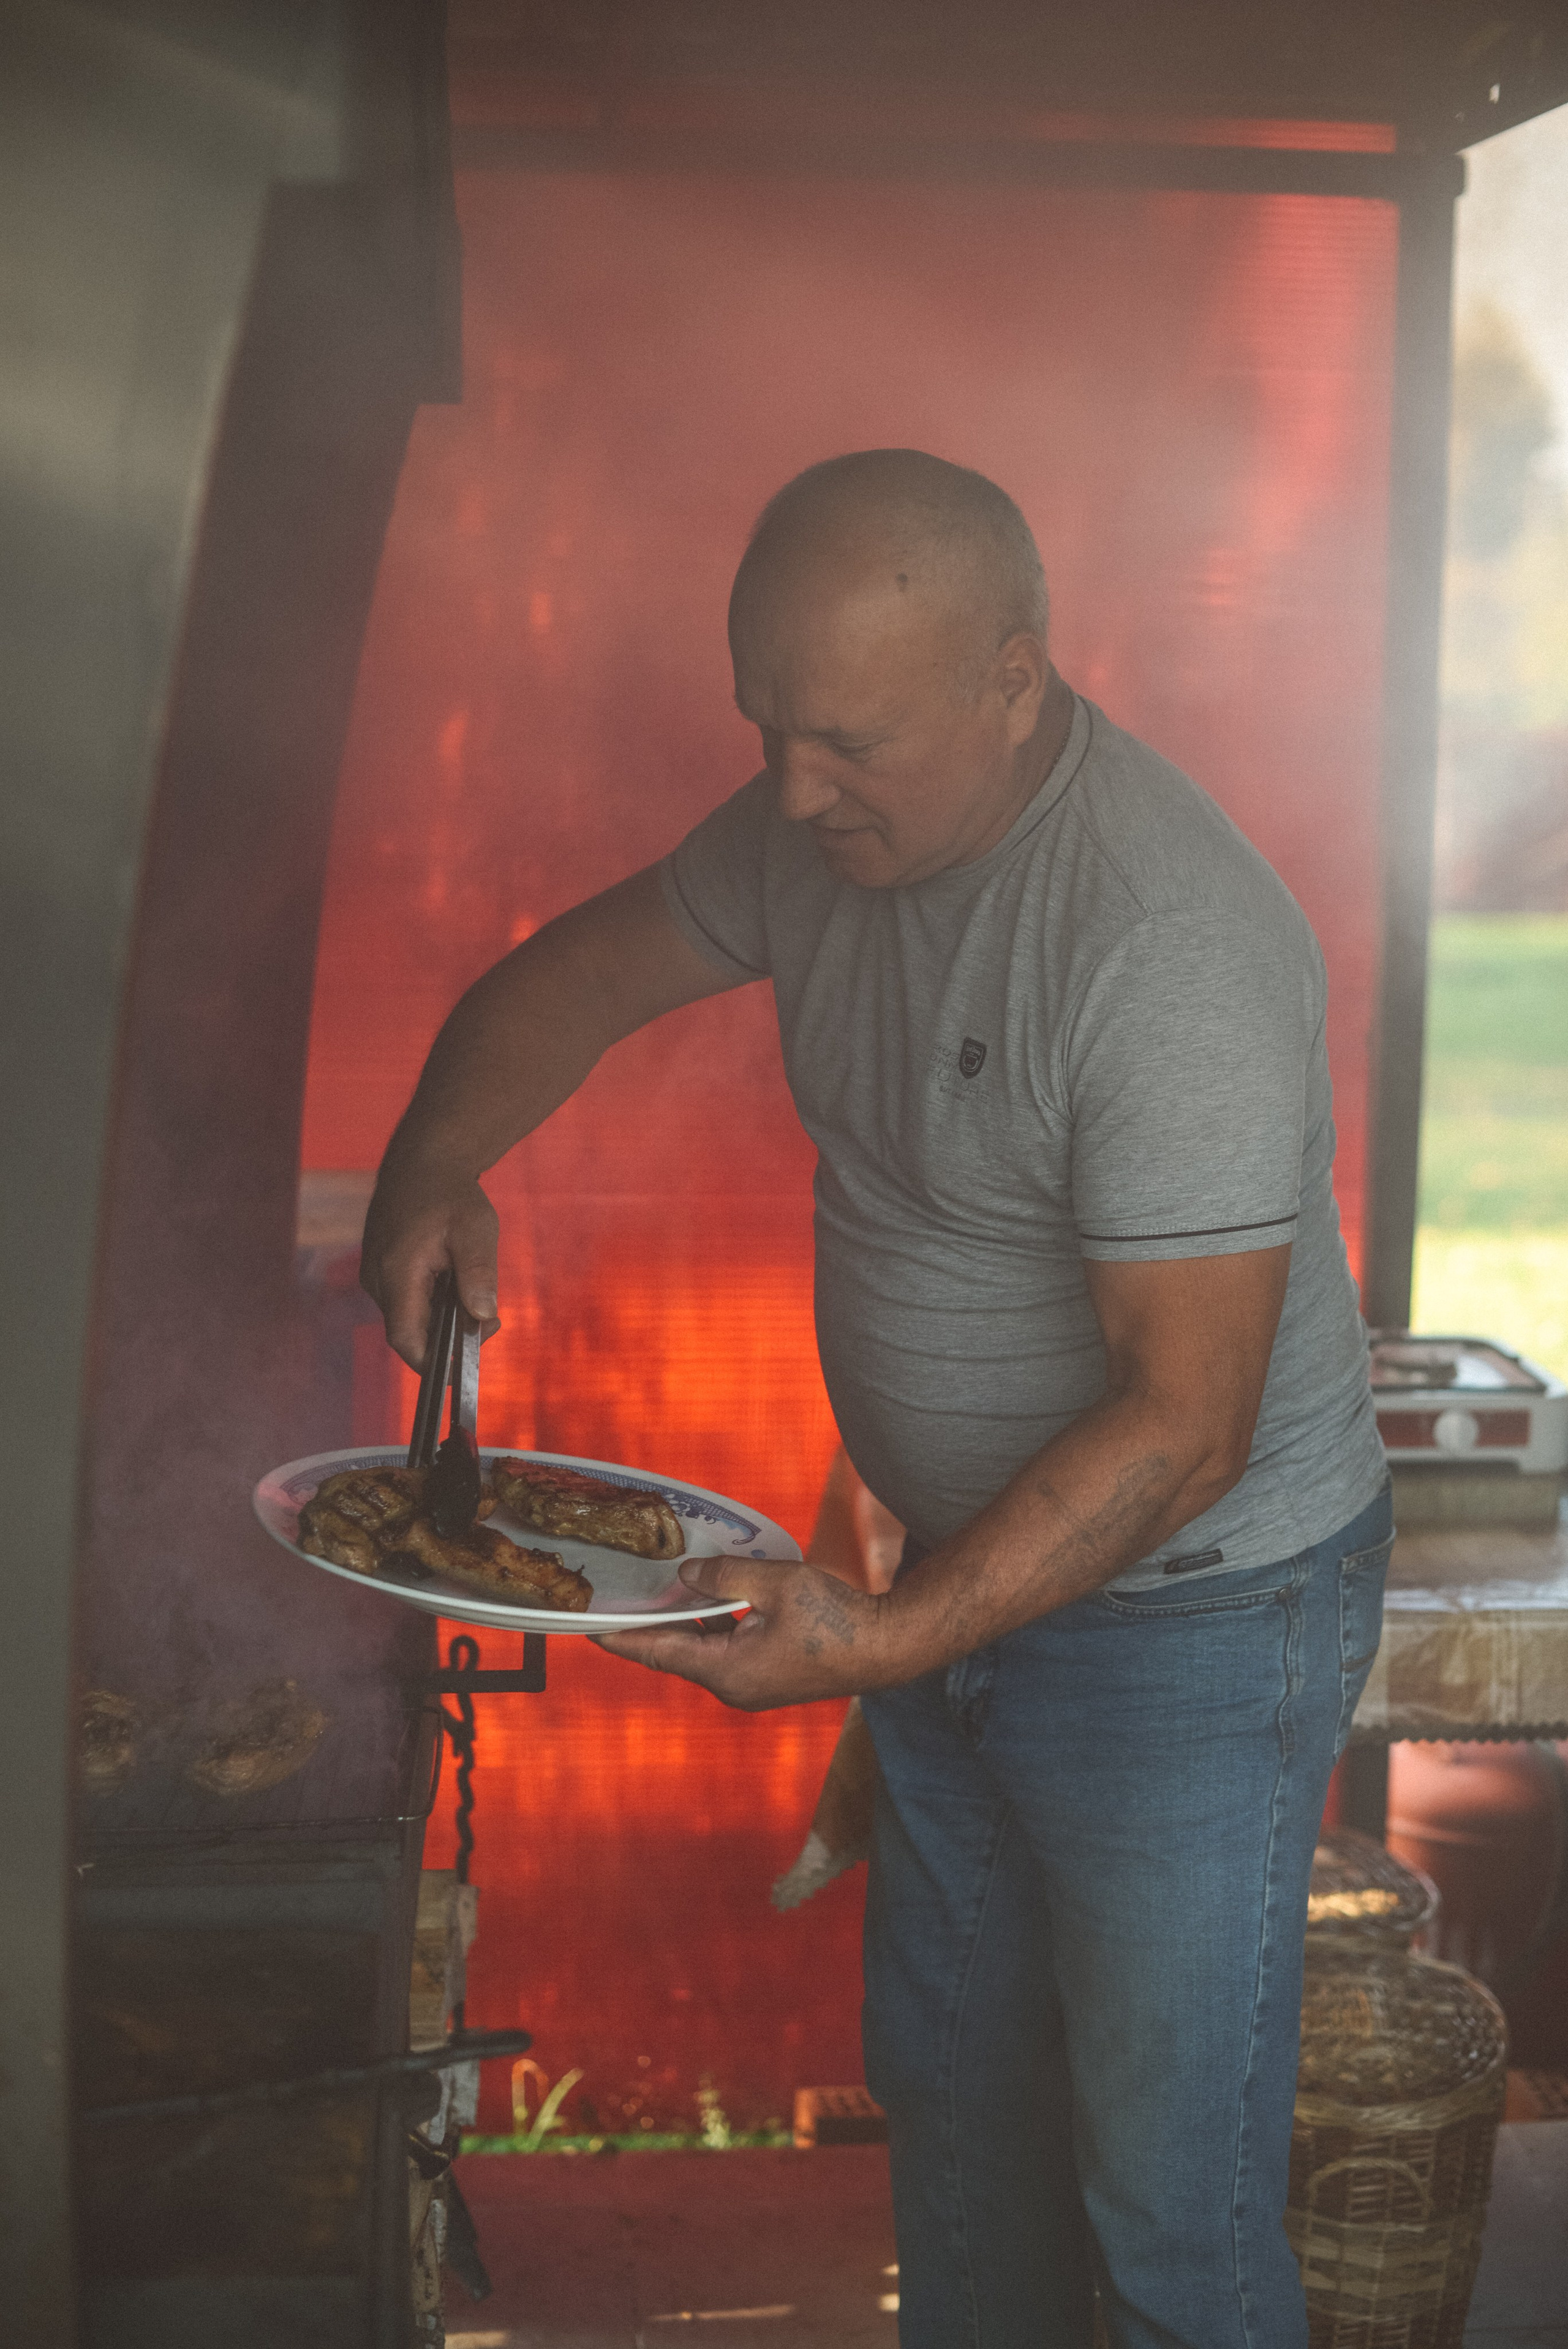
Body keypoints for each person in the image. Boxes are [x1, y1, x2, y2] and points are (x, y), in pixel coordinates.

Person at [362, 449, 1391, 2349]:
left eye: (845, 741)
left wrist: (882, 1637)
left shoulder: (1161, 943)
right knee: (964, 2126)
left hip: (1193, 1611)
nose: (786, 788)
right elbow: (569, 981)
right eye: (762, 727)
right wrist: (428, 1166)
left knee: (1165, 2200)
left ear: (1016, 683)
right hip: (952, 1591)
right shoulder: (820, 829)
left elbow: (1185, 1426)